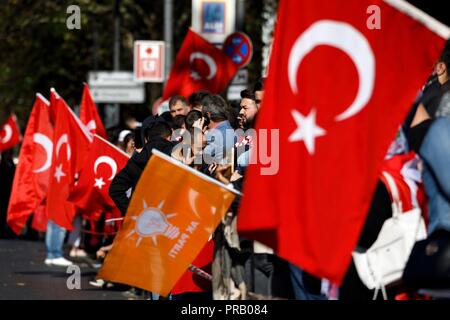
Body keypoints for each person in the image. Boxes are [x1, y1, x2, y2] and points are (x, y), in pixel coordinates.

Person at [201, 94, 235, 165]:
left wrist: (197, 136)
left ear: (207, 115)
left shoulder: (216, 136)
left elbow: (198, 160)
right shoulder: (230, 131)